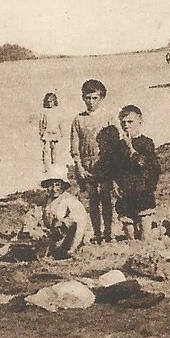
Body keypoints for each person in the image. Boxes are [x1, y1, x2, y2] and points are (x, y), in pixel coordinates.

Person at [69, 79, 119, 244]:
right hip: (87, 164)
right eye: (88, 98)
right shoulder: (78, 119)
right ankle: (97, 233)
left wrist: (113, 165)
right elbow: (74, 145)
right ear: (83, 98)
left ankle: (108, 232)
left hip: (105, 163)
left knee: (106, 197)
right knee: (92, 199)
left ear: (102, 98)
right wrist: (79, 166)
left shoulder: (108, 117)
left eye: (95, 98)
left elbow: (115, 142)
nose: (91, 101)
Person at [109, 104, 160, 242]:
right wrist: (114, 185)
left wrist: (130, 146)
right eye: (123, 122)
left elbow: (142, 163)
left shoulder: (146, 142)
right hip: (126, 190)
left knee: (145, 233)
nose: (126, 125)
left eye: (130, 121)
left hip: (143, 189)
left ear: (140, 121)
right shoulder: (118, 146)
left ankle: (156, 232)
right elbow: (114, 168)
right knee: (129, 230)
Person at [40, 168, 91, 260]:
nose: (54, 189)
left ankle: (68, 251)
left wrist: (72, 249)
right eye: (51, 185)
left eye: (57, 185)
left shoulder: (69, 200)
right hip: (54, 239)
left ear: (63, 186)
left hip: (71, 239)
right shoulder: (48, 201)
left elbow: (80, 223)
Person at [37, 91, 66, 176]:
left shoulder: (57, 111)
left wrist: (61, 132)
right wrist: (41, 131)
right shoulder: (44, 111)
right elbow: (41, 122)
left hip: (55, 132)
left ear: (54, 101)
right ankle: (46, 167)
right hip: (47, 132)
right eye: (48, 102)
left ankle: (54, 166)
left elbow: (60, 122)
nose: (50, 103)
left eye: (51, 101)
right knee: (46, 150)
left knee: (54, 150)